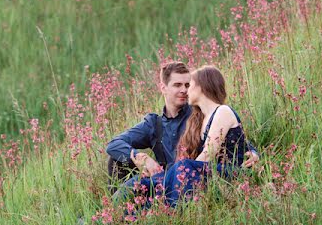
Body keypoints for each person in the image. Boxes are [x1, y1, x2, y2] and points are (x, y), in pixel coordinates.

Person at [106, 62, 257, 200]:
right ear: (163, 88)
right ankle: (112, 214)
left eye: (187, 85)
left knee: (133, 186)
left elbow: (232, 138)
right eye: (177, 85)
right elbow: (113, 144)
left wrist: (253, 152)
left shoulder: (198, 112)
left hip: (187, 177)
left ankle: (115, 213)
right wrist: (143, 159)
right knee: (116, 160)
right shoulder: (153, 123)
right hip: (164, 177)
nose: (184, 90)